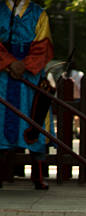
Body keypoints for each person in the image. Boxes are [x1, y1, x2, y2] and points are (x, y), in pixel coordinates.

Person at [0, 0, 53, 189]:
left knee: (34, 119)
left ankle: (37, 175)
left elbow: (43, 45)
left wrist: (25, 65)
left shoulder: (39, 13)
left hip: (30, 77)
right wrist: (7, 62)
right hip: (2, 77)